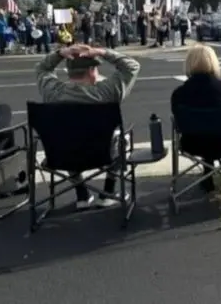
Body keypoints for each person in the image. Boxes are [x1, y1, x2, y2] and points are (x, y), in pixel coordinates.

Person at [35, 43, 141, 209]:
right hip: (103, 154)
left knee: (66, 138)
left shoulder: (53, 92)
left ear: (69, 72)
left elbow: (42, 69)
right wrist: (102, 51)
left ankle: (81, 193)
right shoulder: (106, 92)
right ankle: (109, 191)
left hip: (63, 155)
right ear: (92, 71)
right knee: (122, 139)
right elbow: (132, 66)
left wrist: (60, 54)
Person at [171, 44, 221, 192]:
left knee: (203, 129)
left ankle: (208, 172)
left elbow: (177, 121)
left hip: (193, 144)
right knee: (217, 124)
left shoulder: (179, 93)